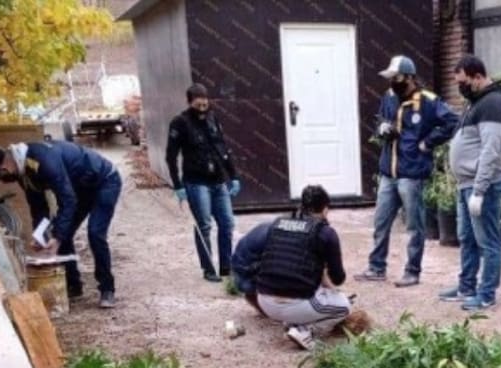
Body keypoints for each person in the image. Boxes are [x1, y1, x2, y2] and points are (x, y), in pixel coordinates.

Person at [0, 141, 121, 308]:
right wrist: (41, 235)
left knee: (95, 233)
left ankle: (107, 289)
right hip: (79, 190)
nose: (4, 177)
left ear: (3, 168)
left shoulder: (43, 161)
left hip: (104, 182)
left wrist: (57, 237)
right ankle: (73, 286)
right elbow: (39, 208)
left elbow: (67, 200)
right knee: (64, 233)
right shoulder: (24, 171)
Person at [356, 55, 458, 287]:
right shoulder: (389, 97)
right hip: (388, 173)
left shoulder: (429, 101)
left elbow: (452, 121)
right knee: (381, 222)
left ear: (409, 77)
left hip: (412, 174)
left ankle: (412, 271)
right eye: (390, 77)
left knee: (414, 226)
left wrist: (427, 143)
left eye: (396, 77)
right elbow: (380, 118)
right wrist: (382, 128)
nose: (392, 81)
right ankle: (376, 267)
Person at [232, 185, 351, 351]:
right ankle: (305, 331)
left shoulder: (277, 224)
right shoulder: (326, 233)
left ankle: (293, 321)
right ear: (325, 210)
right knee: (344, 306)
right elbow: (338, 279)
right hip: (294, 304)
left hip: (264, 301)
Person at [441, 55, 501, 312]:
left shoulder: (493, 103)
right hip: (466, 185)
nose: (461, 87)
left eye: (464, 82)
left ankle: (487, 294)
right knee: (467, 238)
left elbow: (491, 151)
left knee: (487, 241)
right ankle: (466, 286)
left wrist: (479, 191)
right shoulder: (477, 101)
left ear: (478, 77)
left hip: (485, 186)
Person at [166, 83, 242, 283]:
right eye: (198, 105)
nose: (202, 108)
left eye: (205, 104)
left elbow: (223, 148)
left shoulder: (212, 118)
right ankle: (208, 269)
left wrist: (233, 176)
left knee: (227, 223)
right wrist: (178, 185)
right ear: (190, 102)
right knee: (204, 226)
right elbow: (170, 157)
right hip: (196, 182)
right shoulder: (179, 123)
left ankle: (227, 267)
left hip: (218, 181)